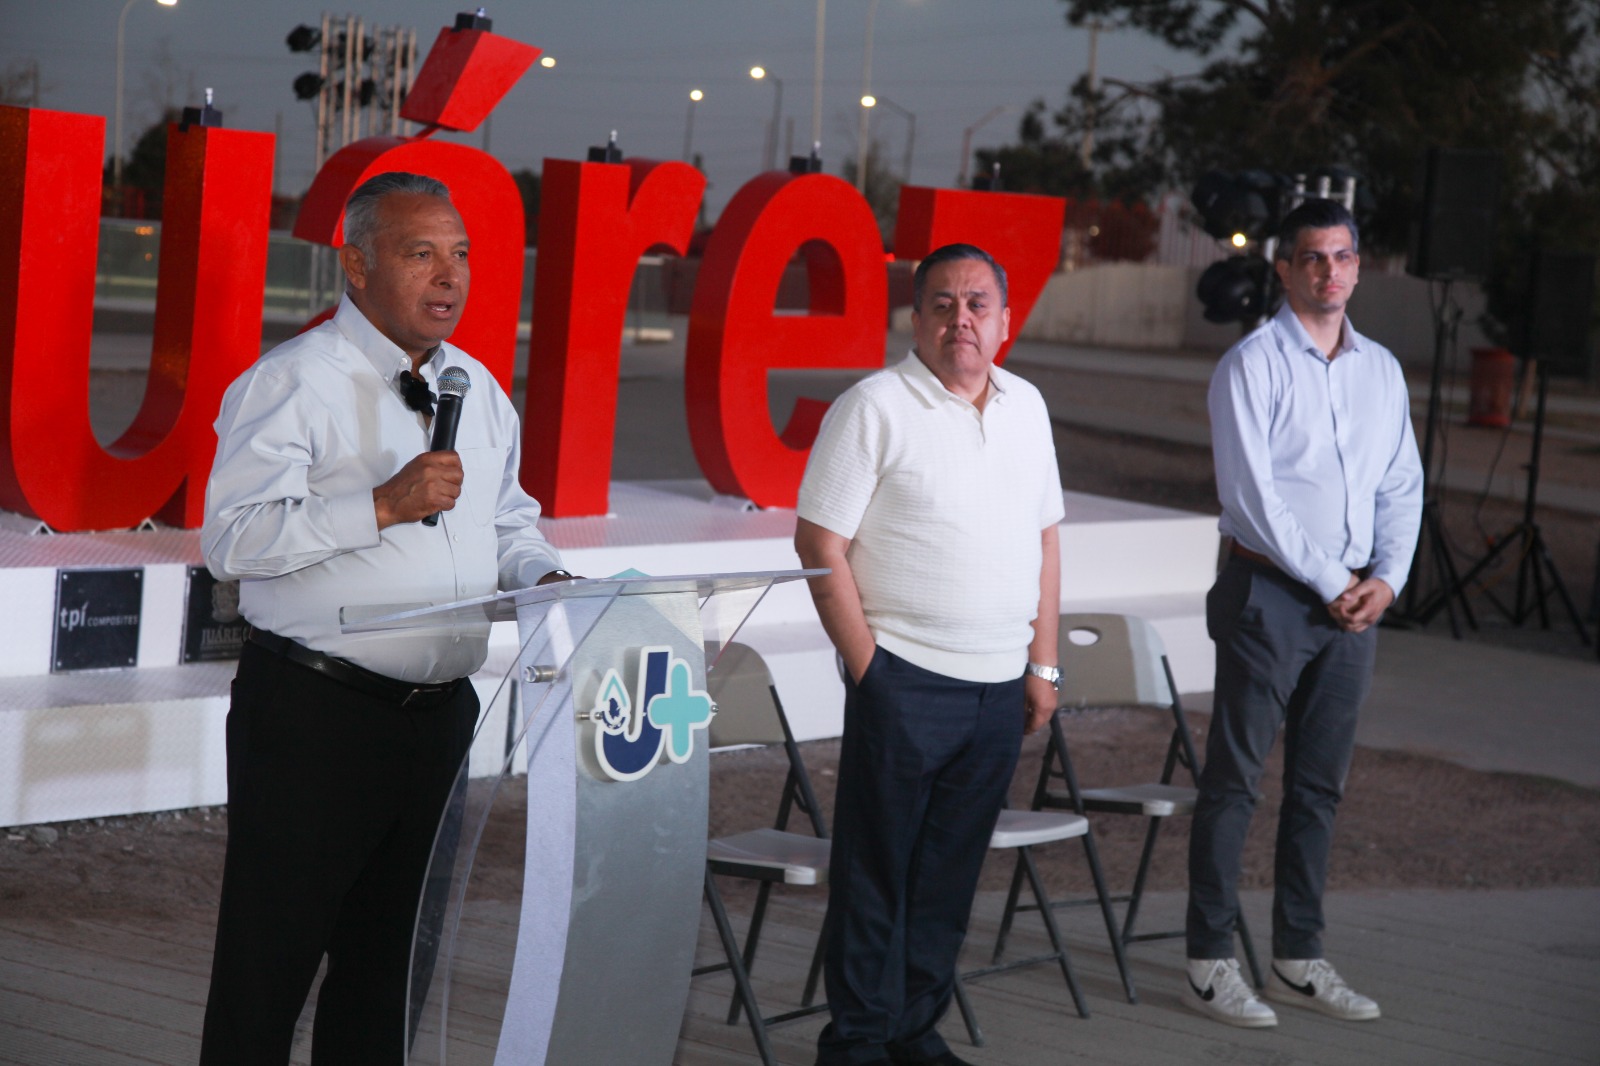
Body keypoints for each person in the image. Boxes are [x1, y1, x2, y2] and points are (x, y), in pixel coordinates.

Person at [198, 171, 571, 1064]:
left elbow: (509, 517)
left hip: (438, 721)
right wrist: (380, 506)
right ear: (356, 266)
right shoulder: (290, 382)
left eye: (461, 256)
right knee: (268, 969)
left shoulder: (476, 386)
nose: (449, 277)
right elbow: (231, 542)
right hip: (315, 720)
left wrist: (547, 574)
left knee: (391, 971)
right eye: (421, 254)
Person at [795, 243, 1064, 1066]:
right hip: (905, 680)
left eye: (978, 303)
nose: (962, 319)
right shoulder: (875, 406)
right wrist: (871, 668)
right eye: (942, 304)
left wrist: (1042, 665)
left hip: (997, 689)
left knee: (948, 878)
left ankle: (914, 1032)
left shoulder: (1027, 406)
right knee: (876, 874)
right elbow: (817, 542)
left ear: (1006, 320)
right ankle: (858, 1042)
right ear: (916, 319)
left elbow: (1046, 541)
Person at [1184, 198, 1422, 1028]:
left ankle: (1297, 954)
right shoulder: (1251, 366)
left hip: (1354, 605)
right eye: (1312, 258)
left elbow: (1401, 483)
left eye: (1343, 256)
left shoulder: (1382, 371)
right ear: (1285, 269)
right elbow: (1253, 500)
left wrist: (1385, 578)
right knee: (1235, 783)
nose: (1329, 271)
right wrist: (1333, 581)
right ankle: (1211, 958)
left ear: (1360, 267)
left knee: (1320, 788)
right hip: (1269, 596)